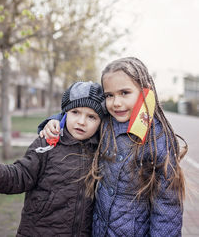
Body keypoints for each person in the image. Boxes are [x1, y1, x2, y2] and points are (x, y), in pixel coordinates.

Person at [38, 57, 188, 236]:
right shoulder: (106, 122)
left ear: (144, 92)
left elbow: (167, 207)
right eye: (109, 95)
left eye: (124, 92)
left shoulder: (158, 138)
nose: (116, 102)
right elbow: (81, 111)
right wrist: (56, 120)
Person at [0, 81, 107, 237]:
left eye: (91, 117)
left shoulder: (101, 150)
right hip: (38, 231)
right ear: (65, 113)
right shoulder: (47, 142)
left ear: (101, 122)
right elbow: (21, 174)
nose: (81, 121)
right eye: (75, 112)